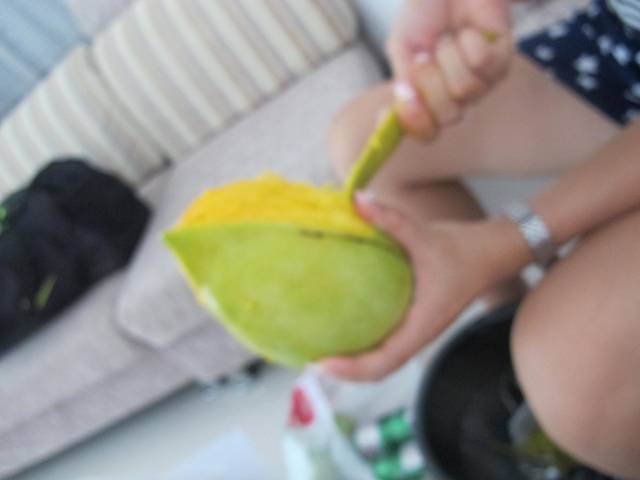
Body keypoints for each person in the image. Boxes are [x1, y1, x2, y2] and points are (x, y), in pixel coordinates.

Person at [319, 0, 640, 477]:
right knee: (360, 138)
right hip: (624, 49)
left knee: (572, 375)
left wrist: (509, 240)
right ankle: (513, 347)